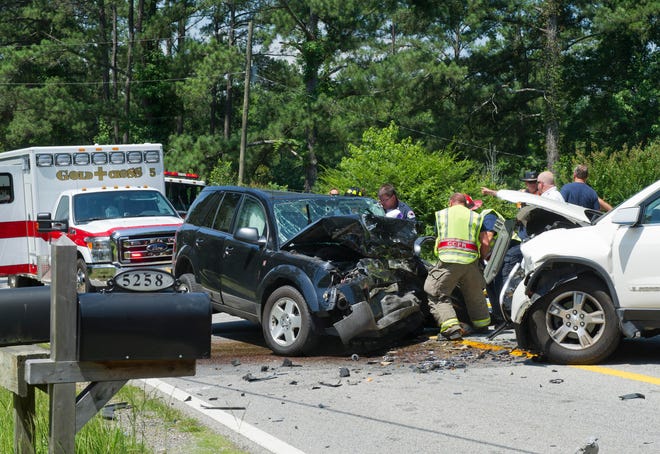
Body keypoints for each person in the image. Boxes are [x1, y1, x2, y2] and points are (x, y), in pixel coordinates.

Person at [424, 193, 490, 340]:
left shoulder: (442, 215)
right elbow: (485, 242)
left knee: (435, 292)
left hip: (449, 261)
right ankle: (482, 324)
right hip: (470, 261)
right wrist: (481, 258)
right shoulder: (476, 217)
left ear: (450, 202)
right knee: (475, 293)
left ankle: (451, 329)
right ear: (466, 204)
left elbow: (438, 236)